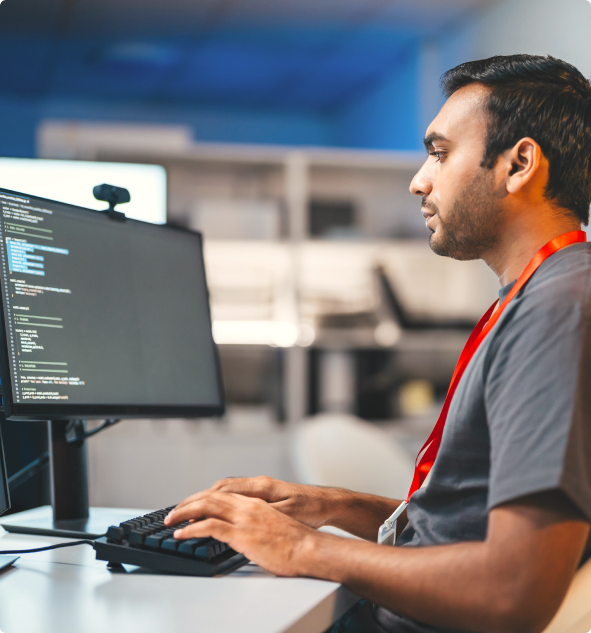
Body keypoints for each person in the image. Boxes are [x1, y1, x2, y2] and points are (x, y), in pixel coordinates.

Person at [165, 54, 591, 633]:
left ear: (518, 165)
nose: (420, 179)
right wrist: (334, 507)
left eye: (440, 153)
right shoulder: (539, 293)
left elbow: (515, 589)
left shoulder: (559, 309)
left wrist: (302, 549)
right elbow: (464, 527)